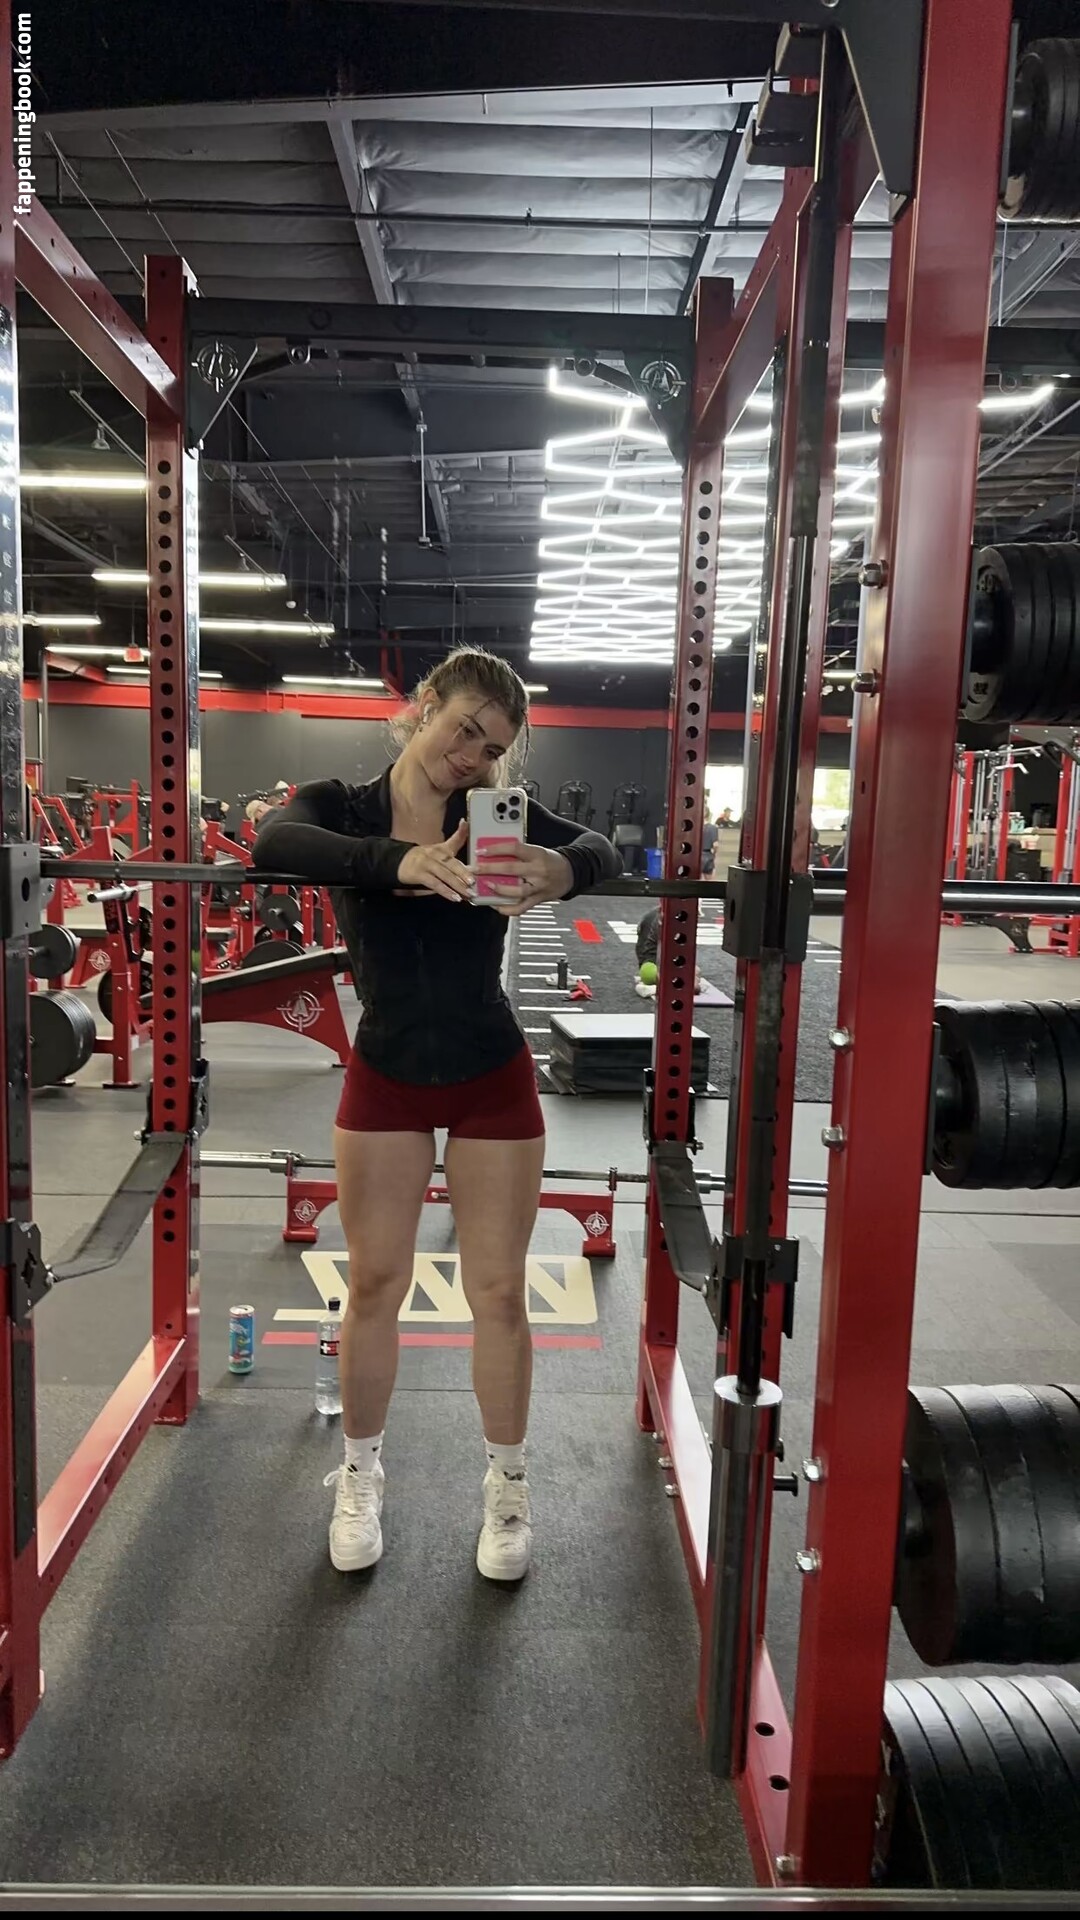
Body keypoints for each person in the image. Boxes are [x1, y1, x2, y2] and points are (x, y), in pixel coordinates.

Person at [253, 647, 621, 1582]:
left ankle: (508, 1489)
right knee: (375, 1284)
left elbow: (607, 848)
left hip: (490, 1073)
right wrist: (399, 863)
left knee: (498, 1291)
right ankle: (359, 1476)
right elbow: (274, 844)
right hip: (386, 1075)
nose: (472, 757)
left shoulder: (497, 816)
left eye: (492, 748)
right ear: (423, 706)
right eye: (465, 731)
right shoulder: (345, 806)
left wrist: (562, 869)